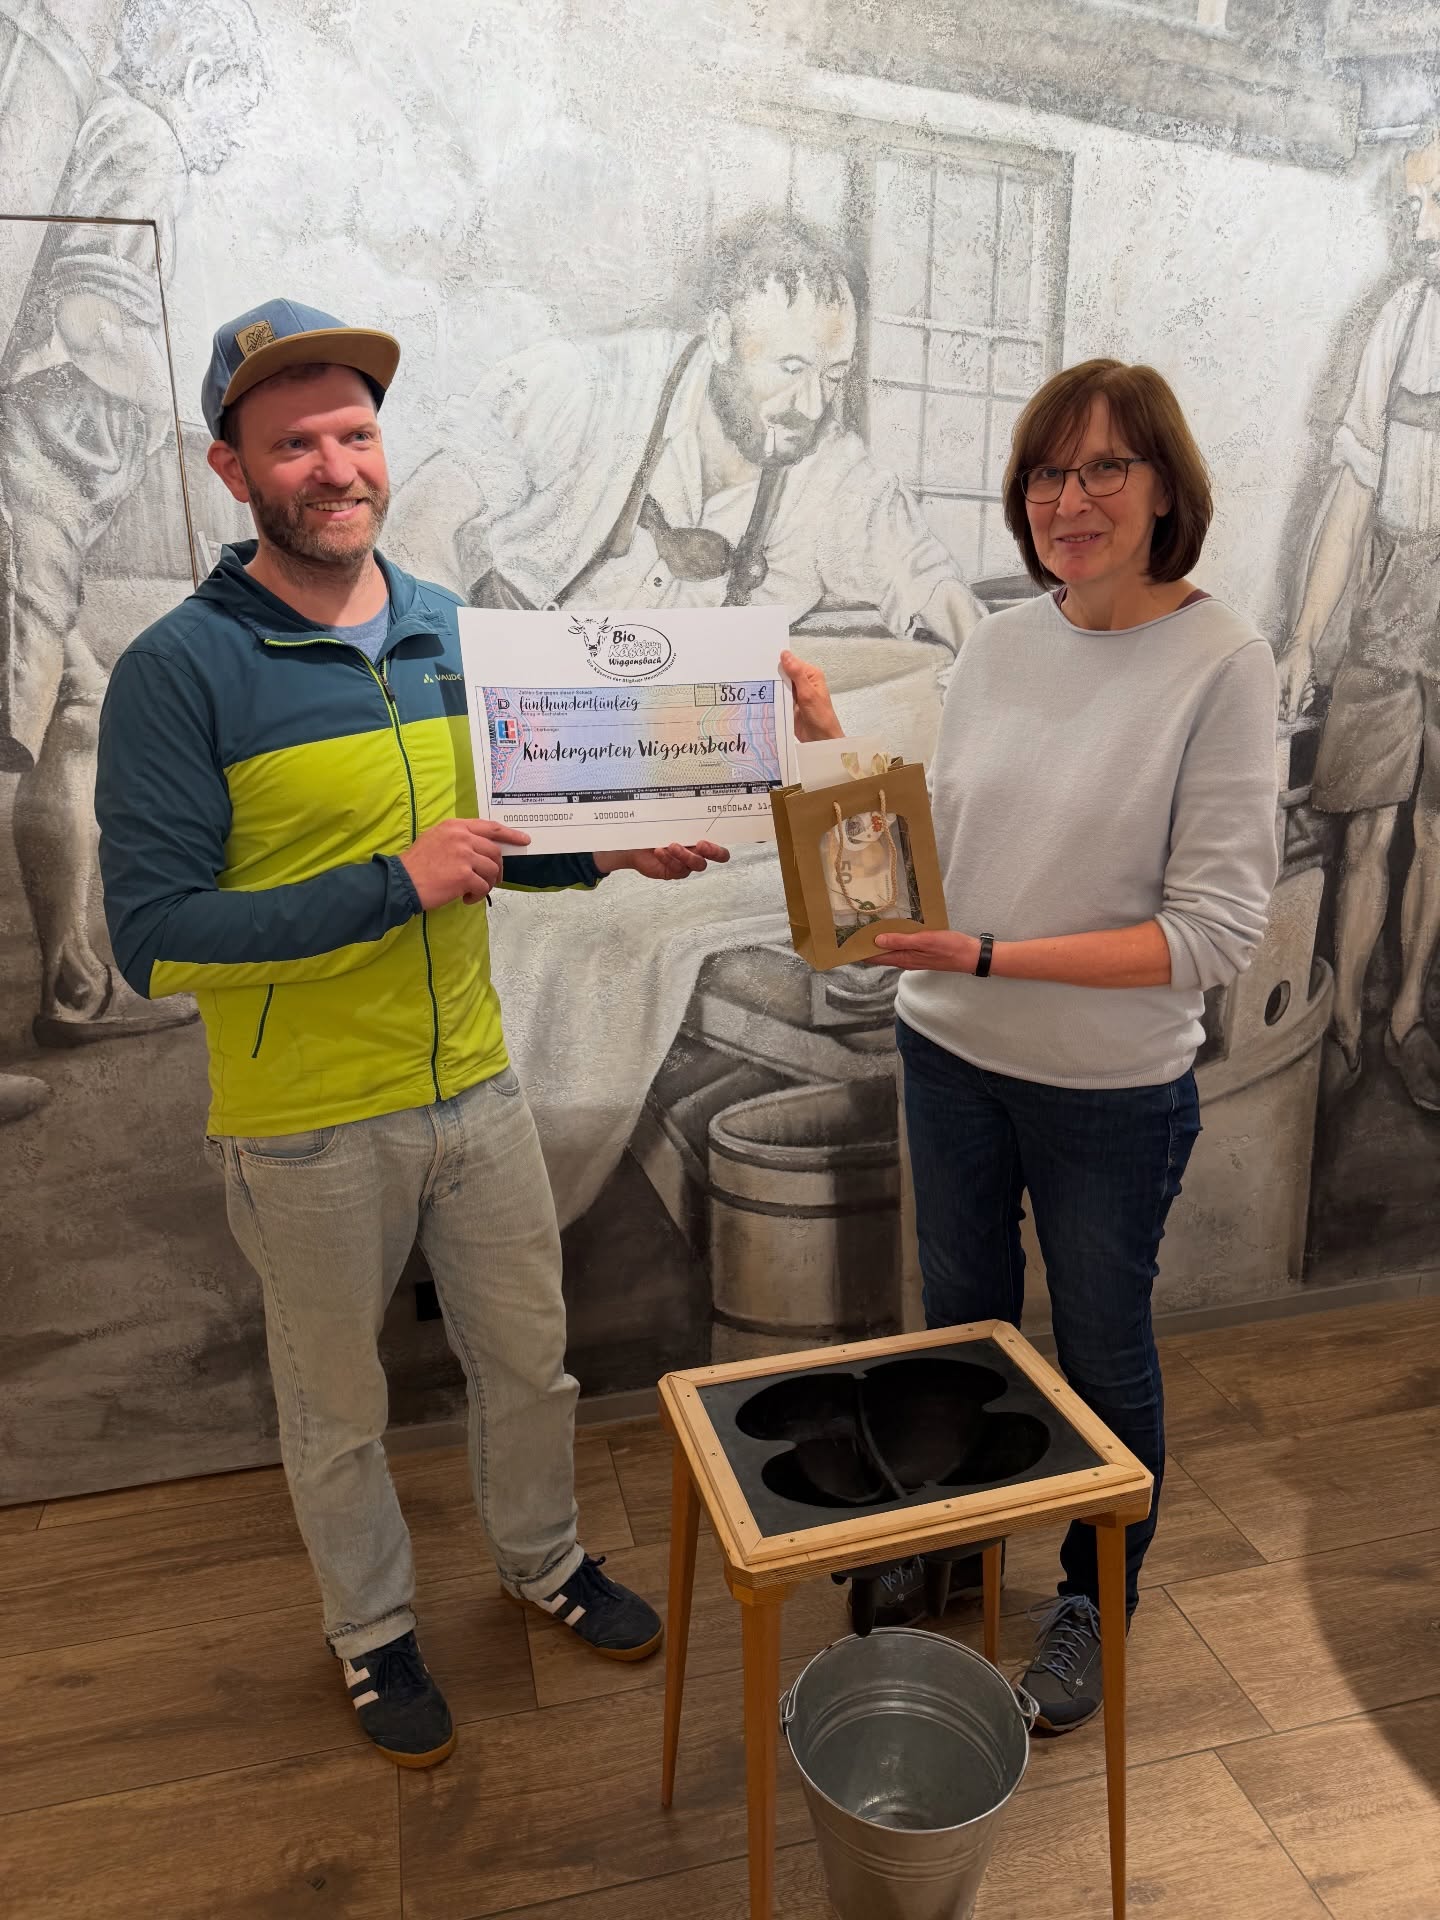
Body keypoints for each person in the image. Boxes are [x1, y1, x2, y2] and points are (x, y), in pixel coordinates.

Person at [95, 300, 729, 1771]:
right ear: (230, 468)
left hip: (478, 1092)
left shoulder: (451, 627)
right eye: (294, 442)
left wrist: (604, 852)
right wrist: (392, 887)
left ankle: (542, 1559)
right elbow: (155, 938)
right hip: (304, 1125)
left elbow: (497, 840)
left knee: (531, 1364)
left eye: (355, 432)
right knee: (338, 1410)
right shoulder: (178, 672)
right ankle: (374, 1635)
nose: (334, 464)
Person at [784, 358, 1279, 1733]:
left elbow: (1212, 933)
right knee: (965, 1330)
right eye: (1049, 475)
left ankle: (1092, 1597)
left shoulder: (1224, 665)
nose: (1071, 500)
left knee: (1102, 1346)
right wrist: (831, 753)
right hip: (947, 1052)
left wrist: (994, 955)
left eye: (1106, 469)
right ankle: (956, 1538)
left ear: (1166, 486)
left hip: (1109, 1089)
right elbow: (942, 849)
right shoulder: (1001, 642)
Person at [383, 210, 983, 1238]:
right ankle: (482, 1215)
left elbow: (929, 584)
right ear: (716, 335)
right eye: (787, 367)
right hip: (519, 737)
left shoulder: (830, 469)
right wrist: (445, 700)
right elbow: (420, 528)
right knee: (573, 930)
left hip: (685, 747)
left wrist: (1007, 665)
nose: (809, 403)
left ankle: (869, 1161)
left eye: (831, 375)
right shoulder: (580, 389)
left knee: (872, 811)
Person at [0, 0, 262, 1056]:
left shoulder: (117, 132)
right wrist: (201, 411)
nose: (241, 124)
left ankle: (75, 989)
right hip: (32, 491)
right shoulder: (144, 140)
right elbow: (86, 317)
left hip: (47, 489)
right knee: (24, 737)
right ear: (196, 71)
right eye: (239, 92)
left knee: (72, 716)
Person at [1278, 129, 1440, 1112]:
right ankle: (1340, 1035)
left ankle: (1407, 1017)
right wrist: (1303, 636)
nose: (1416, 224)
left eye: (1433, 203)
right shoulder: (1402, 317)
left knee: (1439, 825)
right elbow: (1349, 494)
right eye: (1413, 204)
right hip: (1388, 596)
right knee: (1367, 830)